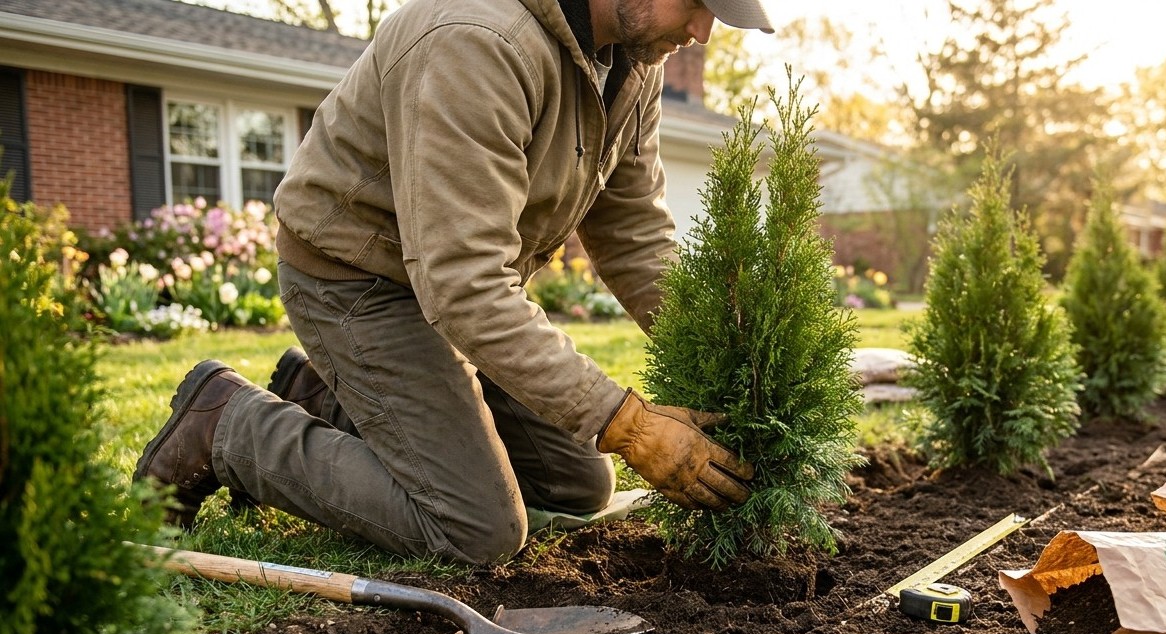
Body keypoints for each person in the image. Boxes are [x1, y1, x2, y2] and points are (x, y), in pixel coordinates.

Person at [134, 0, 773, 563]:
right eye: (695, 2)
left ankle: (325, 397)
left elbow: (632, 229)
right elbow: (463, 283)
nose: (704, 31)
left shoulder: (631, 62)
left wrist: (719, 347)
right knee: (476, 528)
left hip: (452, 288)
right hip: (358, 279)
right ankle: (226, 424)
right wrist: (631, 425)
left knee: (576, 485)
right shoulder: (477, 39)